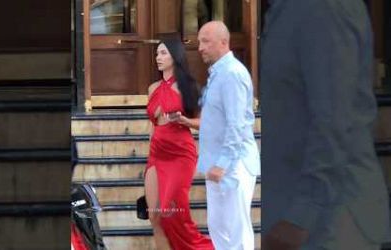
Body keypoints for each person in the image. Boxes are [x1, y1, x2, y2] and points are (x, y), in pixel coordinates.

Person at [260, 0, 389, 249]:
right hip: (300, 219)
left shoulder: (323, 7)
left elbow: (335, 122)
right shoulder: (286, 9)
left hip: (331, 224)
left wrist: (300, 216)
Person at [144, 37, 214, 250]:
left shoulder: (189, 87)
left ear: (176, 56)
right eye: (157, 53)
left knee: (172, 214)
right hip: (156, 155)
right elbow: (152, 125)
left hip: (180, 154)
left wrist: (185, 121)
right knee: (154, 217)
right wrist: (150, 155)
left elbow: (206, 123)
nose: (158, 57)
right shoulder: (152, 88)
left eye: (163, 53)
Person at [196, 21, 260, 250]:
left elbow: (237, 124)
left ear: (223, 42)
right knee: (219, 228)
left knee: (236, 232)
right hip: (219, 165)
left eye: (205, 41)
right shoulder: (218, 73)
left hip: (233, 165)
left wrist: (222, 164)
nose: (200, 47)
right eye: (199, 41)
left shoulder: (232, 74)